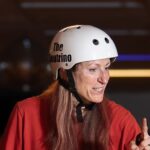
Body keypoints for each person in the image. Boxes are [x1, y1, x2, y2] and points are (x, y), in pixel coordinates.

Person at [0, 25, 150, 150]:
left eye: (106, 67)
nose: (104, 78)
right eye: (93, 69)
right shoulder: (26, 114)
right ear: (65, 74)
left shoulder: (120, 120)